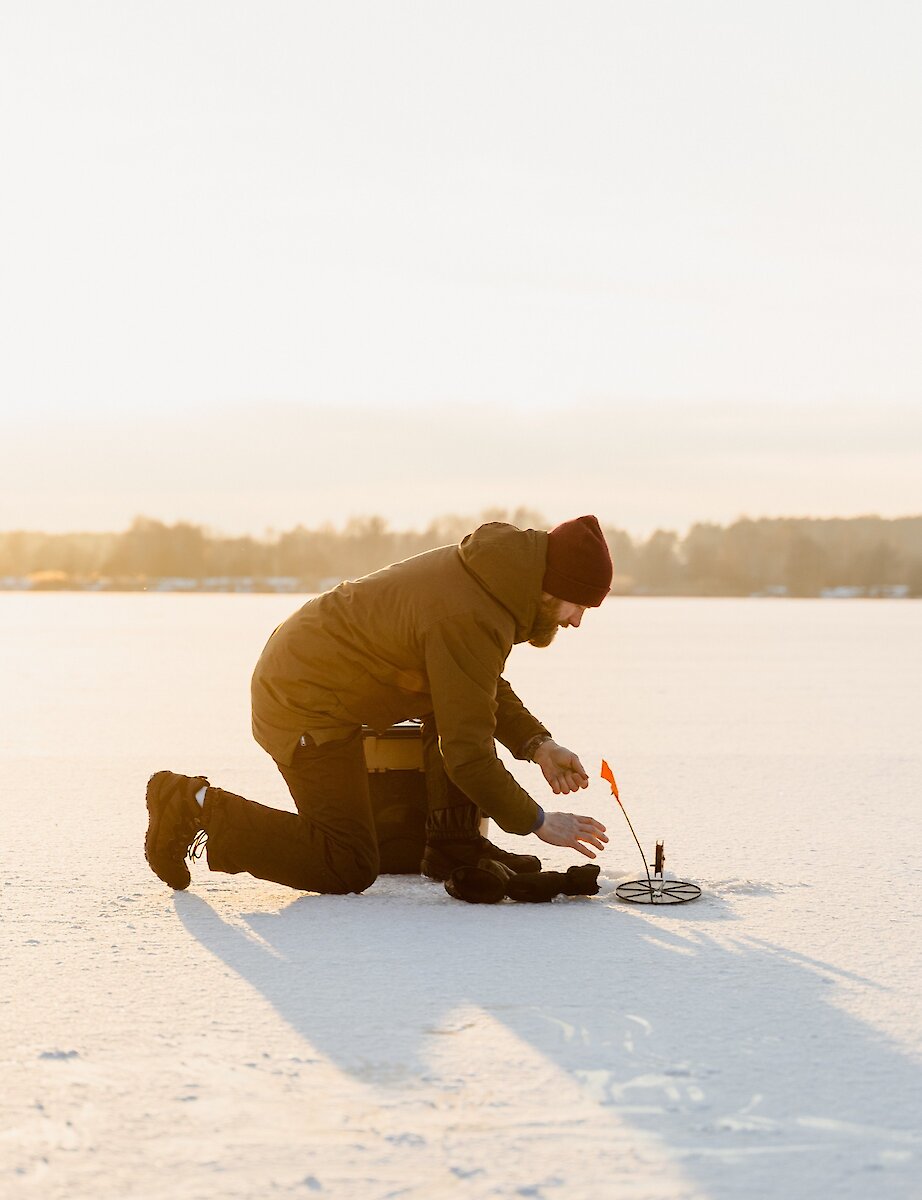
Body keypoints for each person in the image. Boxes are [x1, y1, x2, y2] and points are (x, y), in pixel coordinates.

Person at [144, 515, 612, 895]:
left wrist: (539, 745)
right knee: (344, 863)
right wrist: (538, 821)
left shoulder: (493, 582)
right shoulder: (471, 613)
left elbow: (473, 684)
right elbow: (467, 754)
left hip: (321, 676)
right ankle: (191, 804)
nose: (576, 622)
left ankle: (455, 846)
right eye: (580, 607)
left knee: (450, 708)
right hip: (303, 700)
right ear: (553, 585)